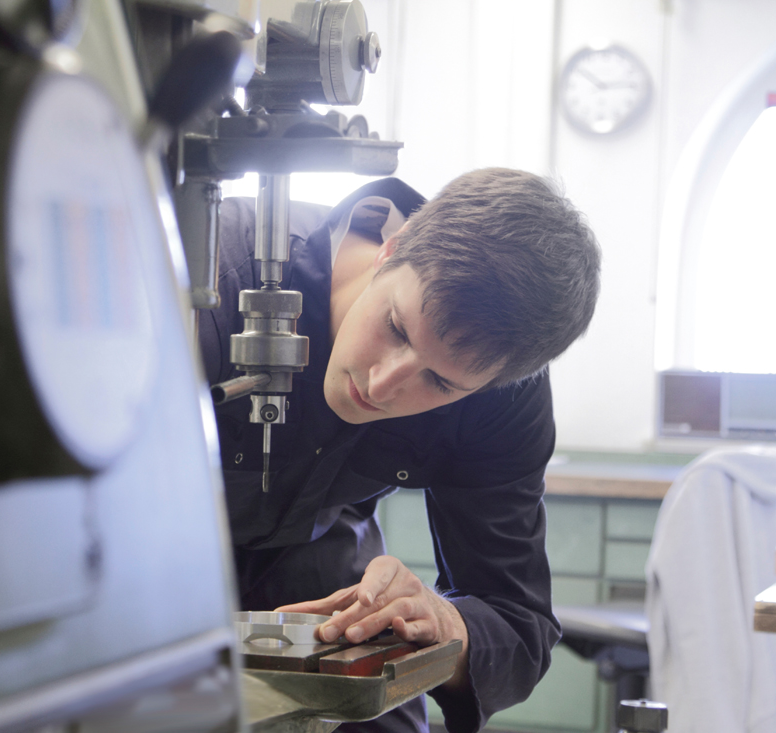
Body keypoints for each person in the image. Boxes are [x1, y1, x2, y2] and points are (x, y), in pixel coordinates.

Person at [198, 168, 601, 733]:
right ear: (390, 249)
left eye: (439, 384)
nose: (383, 386)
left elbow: (517, 623)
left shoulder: (501, 394)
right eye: (396, 328)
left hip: (326, 585)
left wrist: (444, 624)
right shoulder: (205, 275)